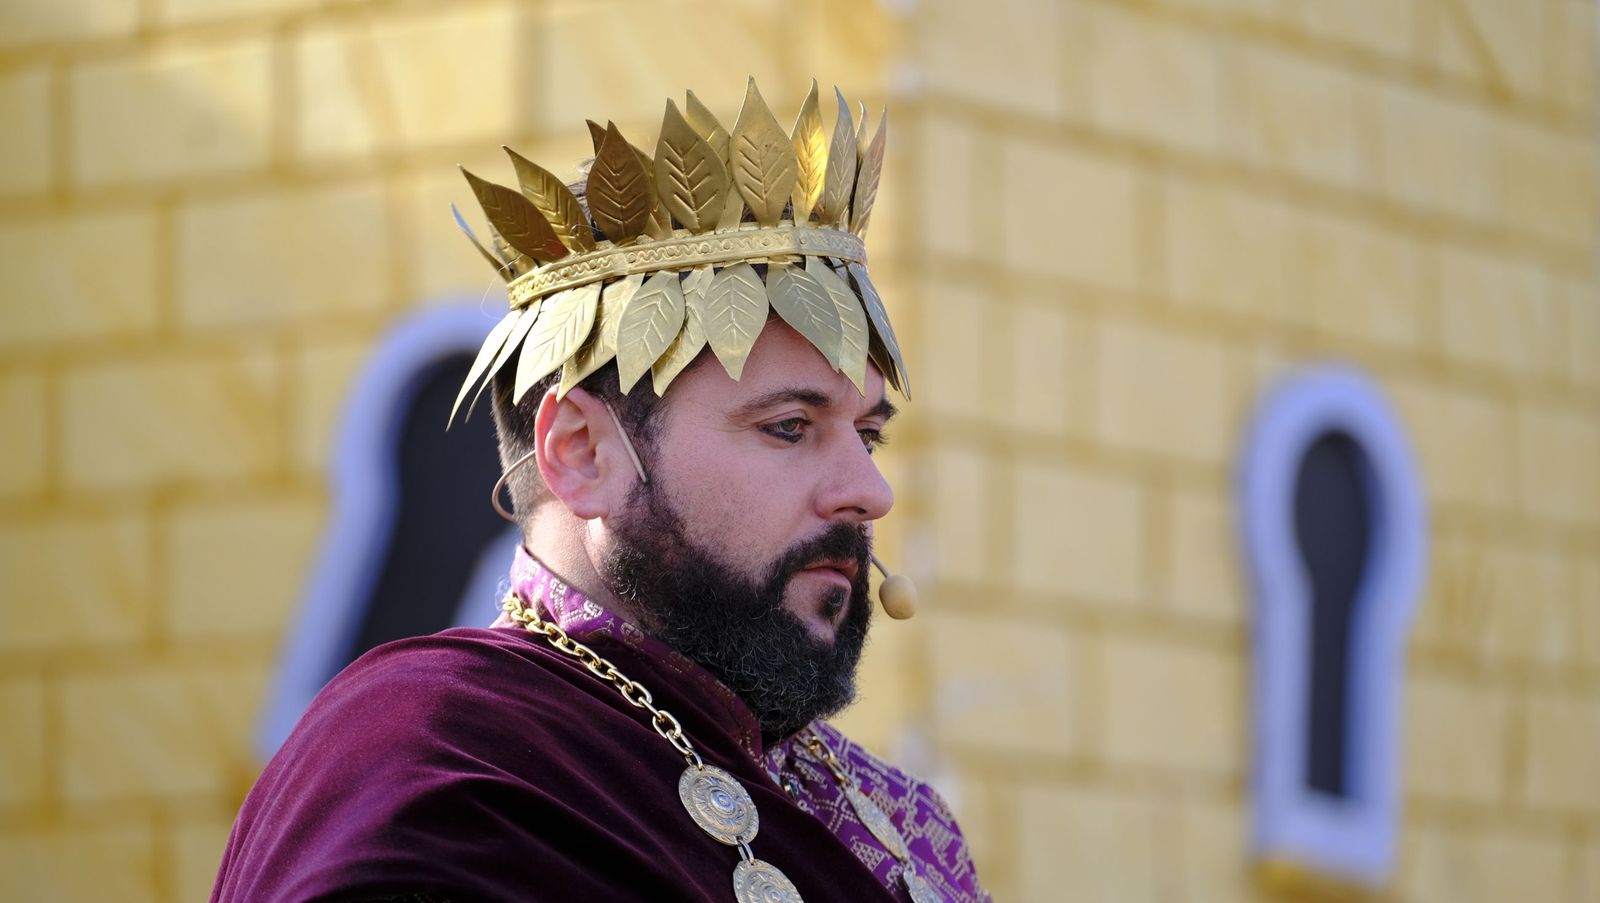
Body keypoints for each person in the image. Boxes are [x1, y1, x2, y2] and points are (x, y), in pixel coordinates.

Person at [212, 80, 990, 903]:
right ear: (582, 451)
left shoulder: (897, 819)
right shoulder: (424, 766)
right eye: (790, 427)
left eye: (868, 434)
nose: (870, 491)